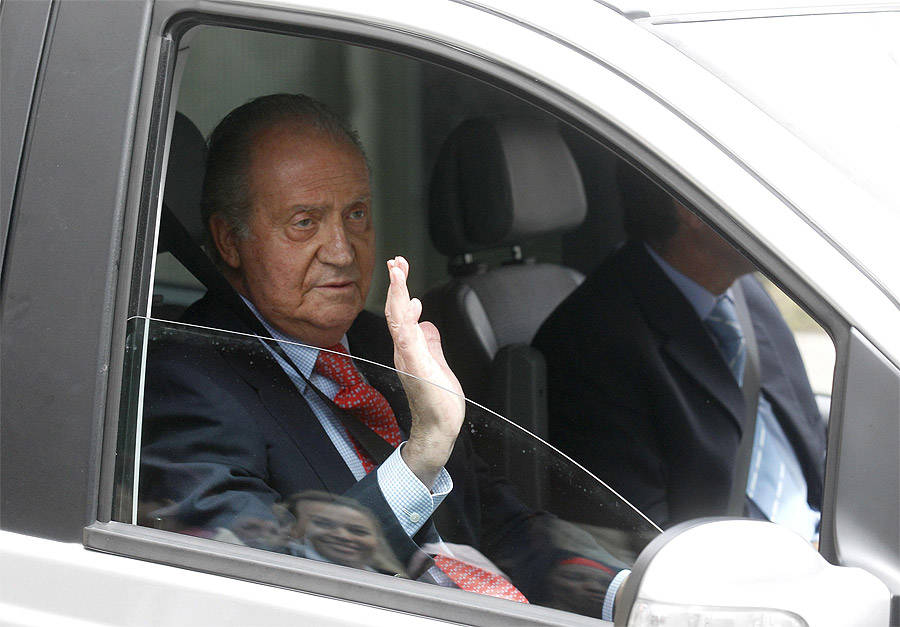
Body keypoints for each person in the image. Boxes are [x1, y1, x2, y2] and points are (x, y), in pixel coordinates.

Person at [138, 93, 628, 618]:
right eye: (304, 222)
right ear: (229, 240)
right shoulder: (185, 377)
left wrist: (625, 597)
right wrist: (421, 455)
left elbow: (500, 525)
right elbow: (266, 588)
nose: (342, 250)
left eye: (356, 214)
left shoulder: (383, 343)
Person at [533, 162, 826, 533]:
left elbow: (807, 433)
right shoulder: (594, 340)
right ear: (691, 208)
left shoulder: (744, 292)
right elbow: (643, 535)